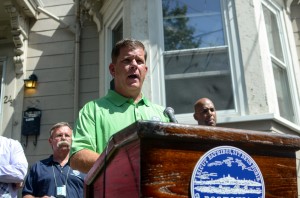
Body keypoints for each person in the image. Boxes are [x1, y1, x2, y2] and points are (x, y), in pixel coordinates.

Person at [70, 38, 170, 173]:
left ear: (145, 71)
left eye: (139, 61)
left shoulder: (163, 113)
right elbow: (78, 157)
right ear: (112, 69)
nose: (134, 65)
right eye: (127, 60)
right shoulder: (92, 110)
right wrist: (125, 166)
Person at [22, 122, 85, 198]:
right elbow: (26, 195)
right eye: (59, 135)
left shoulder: (82, 166)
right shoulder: (38, 167)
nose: (63, 138)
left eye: (67, 135)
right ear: (50, 141)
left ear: (72, 140)